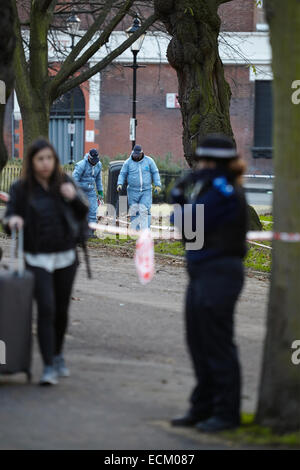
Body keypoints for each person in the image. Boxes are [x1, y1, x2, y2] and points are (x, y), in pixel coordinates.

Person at [170, 134, 248, 432]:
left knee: (217, 344)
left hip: (219, 273)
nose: (199, 165)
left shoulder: (223, 190)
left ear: (215, 162)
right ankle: (202, 407)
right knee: (198, 341)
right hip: (202, 271)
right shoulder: (209, 186)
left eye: (203, 160)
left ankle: (226, 413)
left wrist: (178, 199)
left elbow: (189, 224)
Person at [2, 138, 89, 386]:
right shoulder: (21, 188)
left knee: (61, 310)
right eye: (40, 159)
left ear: (55, 160)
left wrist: (73, 197)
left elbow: (84, 210)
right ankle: (49, 365)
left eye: (49, 158)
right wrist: (13, 221)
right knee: (47, 309)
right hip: (36, 257)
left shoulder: (65, 183)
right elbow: (8, 218)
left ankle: (59, 355)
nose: (45, 164)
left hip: (65, 256)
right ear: (32, 161)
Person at [116, 145, 161, 230]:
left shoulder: (149, 161)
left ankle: (145, 230)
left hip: (146, 190)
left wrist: (157, 184)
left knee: (144, 210)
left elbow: (155, 172)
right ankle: (135, 230)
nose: (136, 156)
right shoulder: (128, 163)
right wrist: (120, 184)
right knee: (134, 211)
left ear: (141, 153)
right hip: (132, 191)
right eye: (134, 154)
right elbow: (122, 174)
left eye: (138, 154)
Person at [72, 148, 103, 237]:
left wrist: (100, 191)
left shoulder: (98, 165)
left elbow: (98, 179)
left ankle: (90, 232)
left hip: (91, 191)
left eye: (96, 160)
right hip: (80, 190)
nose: (94, 162)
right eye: (93, 160)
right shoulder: (81, 165)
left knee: (93, 211)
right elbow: (74, 179)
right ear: (89, 158)